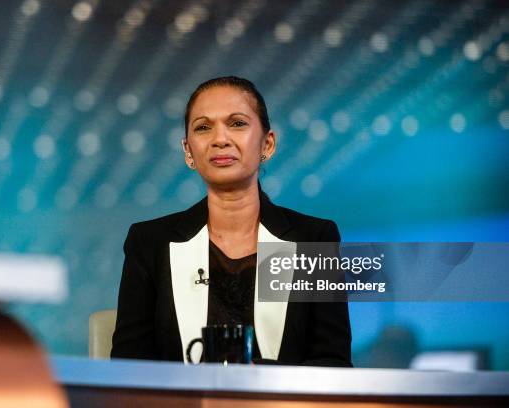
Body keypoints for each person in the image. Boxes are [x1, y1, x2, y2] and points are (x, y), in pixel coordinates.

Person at [111, 76, 352, 366]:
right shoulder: (149, 242)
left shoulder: (313, 238)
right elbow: (129, 365)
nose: (220, 139)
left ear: (268, 143)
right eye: (203, 127)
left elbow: (332, 364)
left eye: (237, 123)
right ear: (188, 151)